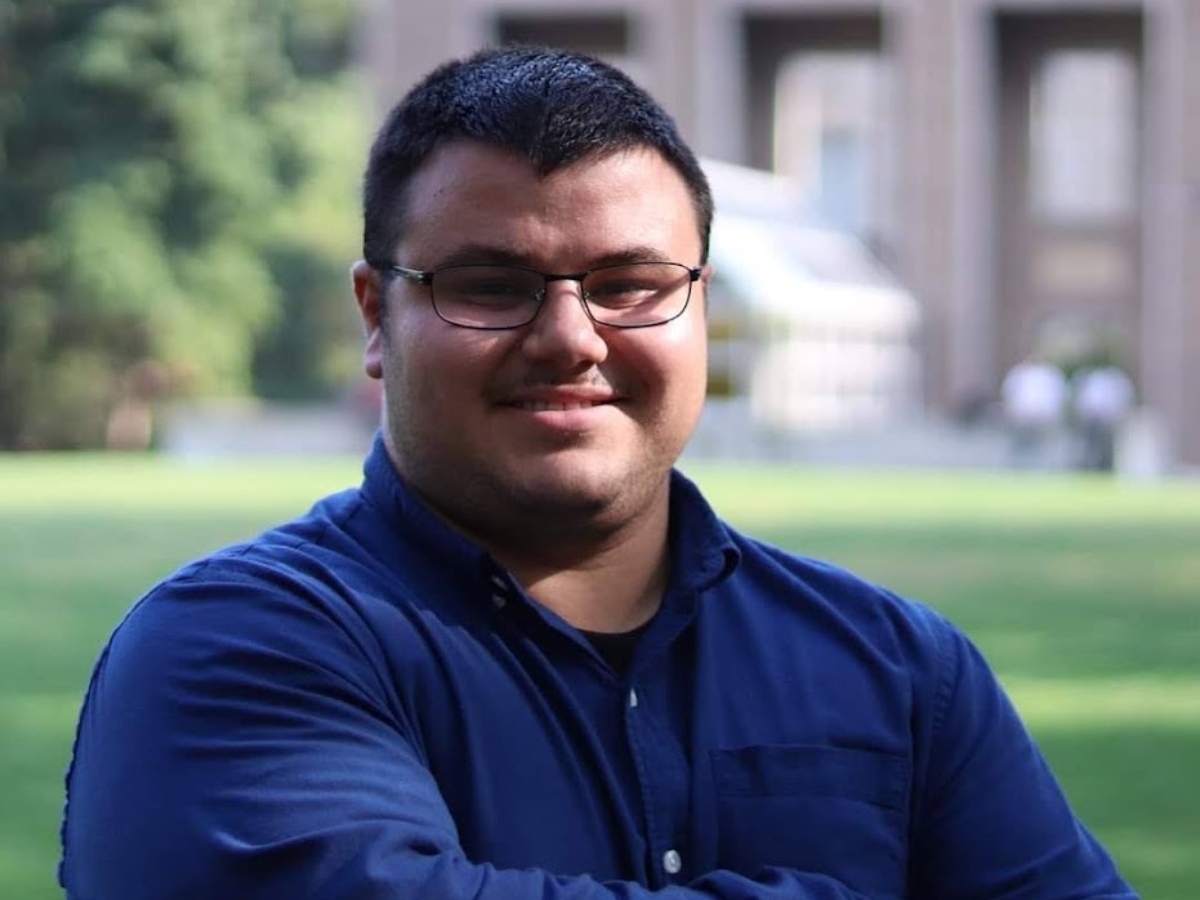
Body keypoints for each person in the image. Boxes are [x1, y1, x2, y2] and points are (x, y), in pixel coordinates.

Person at [60, 46, 1139, 900]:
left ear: (701, 308)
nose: (572, 338)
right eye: (491, 285)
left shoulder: (897, 670)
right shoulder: (233, 646)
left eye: (631, 285)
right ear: (375, 316)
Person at [1000, 357, 1067, 467]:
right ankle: (1018, 465)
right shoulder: (1020, 373)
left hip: (1043, 416)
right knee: (1021, 443)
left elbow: (1057, 393)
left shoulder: (1049, 373)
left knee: (1041, 444)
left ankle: (1041, 465)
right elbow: (1010, 392)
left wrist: (1051, 413)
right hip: (1023, 416)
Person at [1071, 364, 1135, 472]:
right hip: (1091, 420)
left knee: (1107, 448)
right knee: (1090, 446)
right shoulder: (1089, 376)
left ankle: (1106, 467)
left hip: (1108, 421)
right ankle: (1090, 467)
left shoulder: (1114, 378)